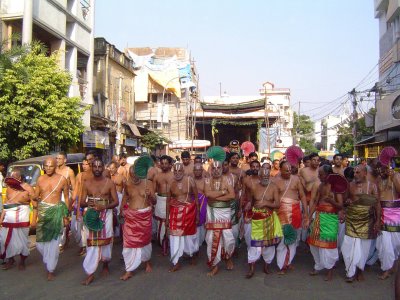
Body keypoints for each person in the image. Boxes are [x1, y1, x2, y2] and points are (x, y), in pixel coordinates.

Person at [80, 159, 119, 285]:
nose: (97, 169)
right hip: (91, 215)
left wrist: (104, 207)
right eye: (95, 166)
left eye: (99, 166)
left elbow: (116, 202)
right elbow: (81, 202)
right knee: (91, 243)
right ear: (92, 167)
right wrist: (87, 203)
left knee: (107, 241)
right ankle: (90, 273)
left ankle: (105, 264)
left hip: (105, 214)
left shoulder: (109, 183)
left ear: (103, 168)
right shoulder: (86, 183)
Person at [341, 164, 381, 282]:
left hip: (367, 220)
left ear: (365, 173)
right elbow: (345, 201)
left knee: (364, 248)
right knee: (348, 247)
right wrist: (346, 204)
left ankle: (359, 271)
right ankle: (350, 272)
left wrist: (378, 220)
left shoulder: (373, 186)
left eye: (358, 172)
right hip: (352, 219)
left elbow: (377, 204)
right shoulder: (350, 185)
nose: (355, 174)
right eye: (354, 172)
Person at [32, 157, 69, 281]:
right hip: (43, 212)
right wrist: (33, 200)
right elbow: (36, 197)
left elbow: (67, 199)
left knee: (53, 242)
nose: (48, 168)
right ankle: (48, 260)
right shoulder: (40, 179)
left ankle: (50, 269)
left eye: (51, 166)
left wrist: (66, 216)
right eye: (46, 166)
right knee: (39, 243)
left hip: (56, 212)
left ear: (55, 166)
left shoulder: (62, 180)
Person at [308, 165, 343, 281]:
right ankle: (318, 265)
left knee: (329, 246)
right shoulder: (321, 186)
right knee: (313, 243)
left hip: (331, 219)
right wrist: (308, 217)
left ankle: (330, 270)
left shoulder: (336, 187)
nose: (319, 176)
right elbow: (316, 202)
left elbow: (340, 206)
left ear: (328, 174)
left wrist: (331, 201)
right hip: (319, 216)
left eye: (321, 174)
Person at [119, 165, 154, 281]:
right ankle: (129, 270)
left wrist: (150, 196)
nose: (134, 177)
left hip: (144, 217)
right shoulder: (128, 183)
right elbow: (125, 197)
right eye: (132, 175)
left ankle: (147, 262)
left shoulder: (148, 183)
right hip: (131, 217)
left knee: (145, 242)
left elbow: (155, 201)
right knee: (128, 244)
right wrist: (121, 210)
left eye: (136, 174)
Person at [246, 166, 281, 278]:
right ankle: (251, 268)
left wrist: (265, 204)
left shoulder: (274, 187)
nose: (265, 177)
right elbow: (251, 203)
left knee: (268, 245)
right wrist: (248, 215)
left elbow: (277, 204)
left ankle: (266, 265)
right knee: (254, 244)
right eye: (263, 176)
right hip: (256, 219)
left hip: (269, 219)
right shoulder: (254, 187)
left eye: (267, 175)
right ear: (259, 177)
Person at [274, 161, 308, 274]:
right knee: (282, 237)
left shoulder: (296, 179)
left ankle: (287, 262)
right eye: (286, 170)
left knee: (293, 237)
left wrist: (306, 213)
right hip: (281, 212)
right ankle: (283, 264)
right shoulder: (274, 180)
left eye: (290, 169)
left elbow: (302, 196)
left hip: (295, 211)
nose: (289, 172)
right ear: (280, 170)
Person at [204, 160, 235, 276]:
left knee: (229, 238)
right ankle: (214, 264)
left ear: (222, 169)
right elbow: (208, 195)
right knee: (212, 239)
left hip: (225, 213)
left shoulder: (227, 180)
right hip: (213, 212)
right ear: (211, 169)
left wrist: (216, 197)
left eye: (218, 168)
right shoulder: (207, 180)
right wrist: (223, 192)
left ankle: (228, 257)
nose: (216, 170)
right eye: (214, 168)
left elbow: (232, 195)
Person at [167, 163, 199, 272]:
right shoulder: (171, 183)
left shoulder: (190, 181)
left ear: (183, 171)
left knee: (189, 236)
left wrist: (198, 214)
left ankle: (191, 255)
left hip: (189, 212)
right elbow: (168, 201)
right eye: (175, 171)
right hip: (175, 213)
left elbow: (196, 198)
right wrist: (167, 218)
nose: (177, 173)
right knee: (175, 237)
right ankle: (176, 261)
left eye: (179, 171)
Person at [0, 169, 34, 270]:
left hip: (22, 216)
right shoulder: (9, 188)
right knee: (4, 239)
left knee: (22, 240)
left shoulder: (28, 188)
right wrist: (1, 218)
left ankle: (22, 261)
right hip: (9, 217)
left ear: (19, 178)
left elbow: (35, 205)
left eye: (14, 177)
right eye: (11, 177)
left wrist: (34, 220)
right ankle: (10, 260)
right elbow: (6, 204)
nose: (12, 180)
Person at [376, 163, 400, 280]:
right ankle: (387, 269)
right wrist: (377, 219)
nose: (381, 171)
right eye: (379, 169)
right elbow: (378, 200)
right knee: (384, 245)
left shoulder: (396, 176)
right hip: (383, 216)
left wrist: (394, 177)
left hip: (395, 217)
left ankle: (393, 266)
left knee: (395, 246)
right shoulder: (379, 179)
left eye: (384, 169)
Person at [153, 155, 174, 254]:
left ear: (170, 165)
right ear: (159, 164)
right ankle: (163, 243)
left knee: (170, 222)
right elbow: (153, 190)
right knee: (161, 223)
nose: (164, 165)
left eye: (166, 163)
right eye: (162, 164)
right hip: (160, 200)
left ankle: (170, 243)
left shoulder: (174, 175)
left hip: (172, 200)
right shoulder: (157, 176)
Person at [56, 151, 76, 251]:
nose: (57, 160)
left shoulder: (69, 171)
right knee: (56, 220)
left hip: (65, 197)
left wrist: (72, 201)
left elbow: (74, 187)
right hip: (55, 198)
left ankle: (62, 242)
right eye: (57, 158)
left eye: (59, 158)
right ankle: (59, 241)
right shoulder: (53, 170)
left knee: (64, 220)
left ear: (65, 160)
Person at [71, 159, 91, 256]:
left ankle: (86, 247)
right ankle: (81, 245)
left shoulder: (93, 176)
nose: (84, 166)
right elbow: (76, 190)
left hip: (88, 201)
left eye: (86, 164)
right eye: (83, 164)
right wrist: (72, 201)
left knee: (86, 227)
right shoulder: (79, 175)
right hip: (78, 201)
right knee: (74, 227)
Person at [241, 160, 262, 248]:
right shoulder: (246, 180)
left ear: (259, 168)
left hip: (261, 208)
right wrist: (240, 209)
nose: (255, 168)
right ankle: (251, 251)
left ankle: (258, 252)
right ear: (250, 167)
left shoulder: (263, 180)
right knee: (248, 232)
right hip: (248, 209)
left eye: (257, 166)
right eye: (253, 166)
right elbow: (243, 194)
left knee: (259, 231)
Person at [222, 158, 240, 252]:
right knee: (222, 228)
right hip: (220, 206)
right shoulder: (215, 177)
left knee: (234, 230)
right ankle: (223, 249)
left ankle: (234, 248)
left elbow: (237, 194)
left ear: (228, 165)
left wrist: (238, 209)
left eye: (225, 165)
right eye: (221, 165)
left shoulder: (234, 177)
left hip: (232, 206)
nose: (223, 167)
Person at [109, 161, 126, 237]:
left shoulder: (122, 177)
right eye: (110, 168)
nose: (111, 169)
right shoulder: (108, 177)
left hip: (119, 197)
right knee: (111, 215)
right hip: (110, 197)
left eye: (113, 168)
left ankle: (119, 233)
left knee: (119, 214)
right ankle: (111, 232)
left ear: (116, 168)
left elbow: (126, 190)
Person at [193, 162, 207, 245]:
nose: (197, 172)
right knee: (193, 224)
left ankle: (200, 242)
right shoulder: (189, 180)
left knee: (202, 225)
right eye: (196, 170)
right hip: (192, 205)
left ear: (202, 171)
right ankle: (194, 245)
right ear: (193, 171)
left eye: (199, 170)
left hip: (203, 204)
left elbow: (208, 194)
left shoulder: (206, 181)